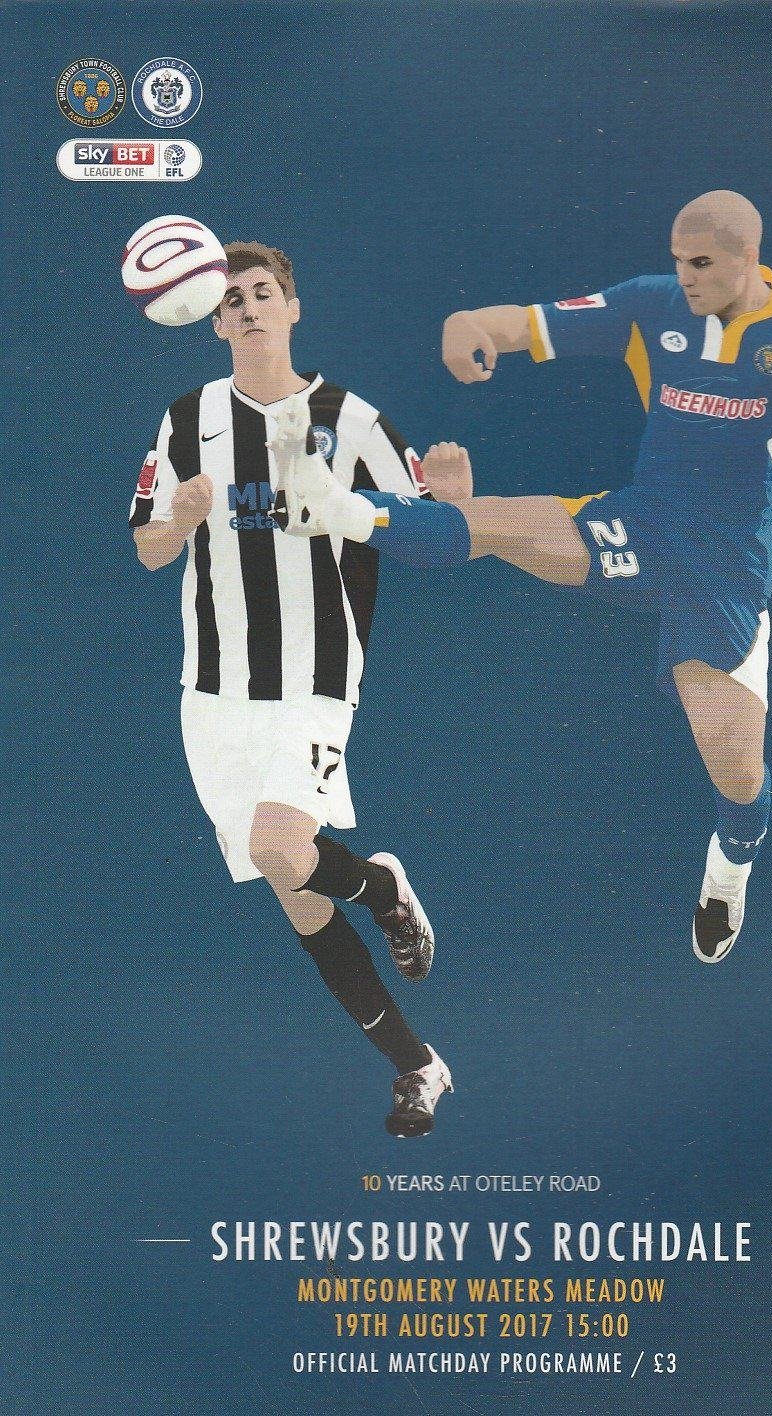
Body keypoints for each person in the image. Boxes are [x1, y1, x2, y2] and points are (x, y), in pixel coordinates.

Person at [278, 192, 772, 962]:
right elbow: (530, 324)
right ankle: (336, 506)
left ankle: (729, 871)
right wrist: (471, 325)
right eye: (679, 260)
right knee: (496, 521)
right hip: (641, 523)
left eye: (702, 263)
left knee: (735, 772)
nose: (686, 276)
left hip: (724, 575)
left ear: (749, 259)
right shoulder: (654, 305)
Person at [129, 240, 459, 1136]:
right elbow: (149, 547)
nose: (247, 309)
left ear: (293, 307)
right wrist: (180, 520)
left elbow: (431, 531)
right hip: (214, 692)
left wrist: (454, 497)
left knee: (281, 847)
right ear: (212, 320)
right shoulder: (187, 418)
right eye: (230, 300)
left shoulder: (352, 420)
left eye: (262, 293)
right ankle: (417, 1065)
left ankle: (384, 891)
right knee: (299, 897)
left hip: (315, 676)